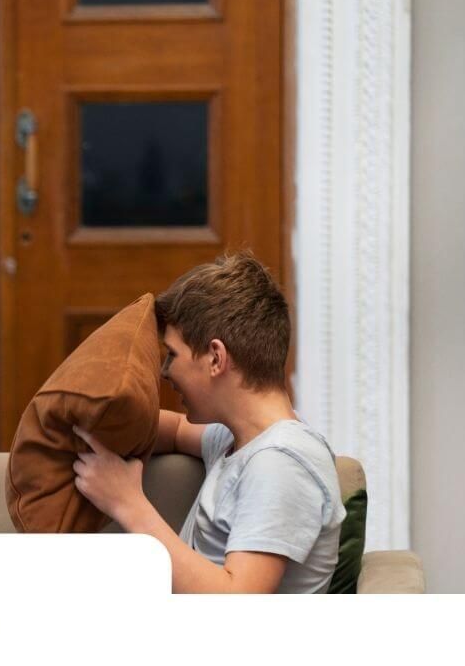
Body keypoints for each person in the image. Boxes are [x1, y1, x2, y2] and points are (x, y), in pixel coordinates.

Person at [72, 252, 344, 593]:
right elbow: (173, 430)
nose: (165, 371)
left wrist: (126, 502)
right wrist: (93, 420)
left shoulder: (281, 464)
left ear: (216, 358)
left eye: (172, 354)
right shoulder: (240, 440)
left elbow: (238, 600)